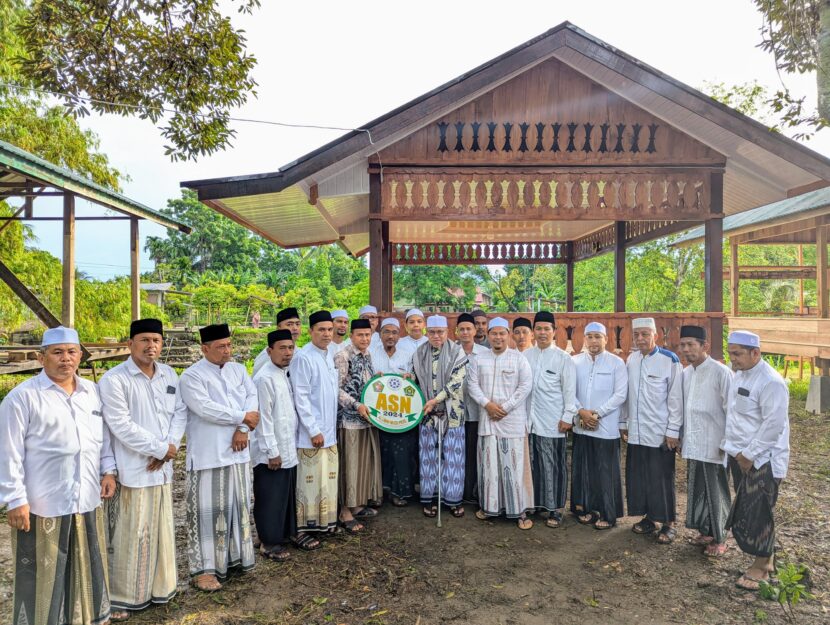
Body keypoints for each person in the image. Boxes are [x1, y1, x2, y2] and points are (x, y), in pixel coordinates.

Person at [1, 326, 117, 625]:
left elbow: (102, 437)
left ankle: (85, 618)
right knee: (41, 573)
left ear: (80, 355)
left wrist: (109, 470)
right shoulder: (22, 397)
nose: (66, 359)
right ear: (42, 357)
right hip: (43, 503)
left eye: (72, 352)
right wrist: (15, 500)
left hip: (87, 497)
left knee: (86, 566)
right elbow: (8, 452)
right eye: (57, 352)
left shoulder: (92, 391)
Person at [99, 318, 187, 620]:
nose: (152, 346)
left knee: (161, 531)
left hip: (162, 468)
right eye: (145, 340)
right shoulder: (115, 379)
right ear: (130, 344)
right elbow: (120, 425)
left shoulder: (168, 374)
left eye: (157, 340)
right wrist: (160, 449)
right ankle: (120, 597)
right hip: (132, 469)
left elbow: (179, 412)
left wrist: (170, 446)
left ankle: (159, 589)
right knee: (129, 534)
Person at [179, 323, 258, 591]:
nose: (227, 351)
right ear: (205, 348)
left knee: (237, 507)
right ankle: (204, 571)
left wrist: (243, 428)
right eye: (221, 346)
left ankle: (236, 559)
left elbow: (252, 398)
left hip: (238, 452)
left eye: (229, 345)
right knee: (207, 514)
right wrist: (241, 417)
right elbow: (205, 408)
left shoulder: (238, 370)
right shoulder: (192, 377)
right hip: (208, 456)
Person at [722, 331, 790, 591]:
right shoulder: (739, 374)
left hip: (763, 459)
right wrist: (738, 453)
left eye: (738, 353)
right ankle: (767, 559)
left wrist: (750, 454)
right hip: (741, 456)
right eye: (731, 353)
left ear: (756, 353)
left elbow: (774, 425)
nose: (733, 359)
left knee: (757, 511)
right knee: (747, 509)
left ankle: (761, 566)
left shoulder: (771, 382)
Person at [468, 317, 534, 529]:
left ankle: (519, 511)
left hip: (512, 421)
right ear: (488, 336)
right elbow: (472, 385)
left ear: (508, 335)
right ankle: (490, 507)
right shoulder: (479, 358)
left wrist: (505, 407)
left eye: (502, 333)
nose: (498, 337)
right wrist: (488, 405)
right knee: (489, 467)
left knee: (513, 467)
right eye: (494, 333)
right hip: (487, 420)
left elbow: (525, 386)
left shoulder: (518, 359)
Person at [621, 317, 683, 544]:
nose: (640, 339)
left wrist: (673, 431)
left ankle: (668, 523)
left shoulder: (670, 360)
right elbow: (627, 396)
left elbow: (676, 398)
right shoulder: (631, 359)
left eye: (645, 334)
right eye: (636, 335)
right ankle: (649, 518)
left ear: (656, 336)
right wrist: (623, 423)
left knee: (662, 478)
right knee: (641, 476)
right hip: (637, 430)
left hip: (660, 432)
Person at [678, 325, 733, 557]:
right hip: (694, 442)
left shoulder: (721, 373)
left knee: (716, 490)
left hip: (715, 443)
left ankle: (720, 538)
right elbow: (684, 409)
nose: (686, 349)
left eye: (691, 344)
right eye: (683, 345)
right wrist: (681, 437)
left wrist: (727, 443)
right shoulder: (686, 373)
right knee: (698, 488)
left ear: (704, 346)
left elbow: (732, 411)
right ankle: (706, 530)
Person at [251, 329, 305, 560]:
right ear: (269, 350)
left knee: (283, 494)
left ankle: (280, 535)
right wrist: (271, 451)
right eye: (282, 348)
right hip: (270, 452)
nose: (287, 353)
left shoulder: (283, 374)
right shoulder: (264, 378)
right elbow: (263, 418)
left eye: (291, 348)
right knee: (269, 497)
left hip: (286, 446)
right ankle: (268, 542)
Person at [570, 322, 628, 529]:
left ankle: (608, 513)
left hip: (606, 426)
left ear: (606, 339)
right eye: (590, 336)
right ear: (584, 339)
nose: (593, 341)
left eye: (598, 337)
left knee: (605, 472)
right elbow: (569, 391)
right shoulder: (574, 362)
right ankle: (583, 508)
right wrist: (582, 412)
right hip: (582, 424)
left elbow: (620, 394)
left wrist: (596, 414)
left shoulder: (616, 363)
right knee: (583, 469)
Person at [412, 315, 468, 518]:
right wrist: (409, 377)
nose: (436, 336)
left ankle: (453, 500)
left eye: (440, 332)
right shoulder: (419, 353)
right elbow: (414, 379)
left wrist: (436, 399)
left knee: (453, 458)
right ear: (427, 332)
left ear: (447, 332)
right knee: (428, 457)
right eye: (433, 332)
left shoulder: (457, 351)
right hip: (427, 414)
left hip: (452, 414)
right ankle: (430, 499)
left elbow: (456, 382)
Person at [523, 311, 576, 527]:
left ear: (554, 332)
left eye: (547, 329)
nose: (542, 333)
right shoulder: (526, 356)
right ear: (533, 332)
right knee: (532, 465)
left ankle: (555, 509)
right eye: (539, 329)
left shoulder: (563, 359)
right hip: (529, 422)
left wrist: (567, 417)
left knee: (553, 466)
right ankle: (535, 505)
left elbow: (570, 393)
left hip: (553, 422)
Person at [290, 310, 340, 535]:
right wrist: (313, 429)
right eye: (321, 330)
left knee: (326, 481)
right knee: (309, 483)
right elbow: (300, 397)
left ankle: (326, 524)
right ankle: (306, 527)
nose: (327, 334)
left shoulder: (328, 354)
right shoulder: (303, 357)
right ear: (310, 331)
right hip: (312, 435)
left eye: (329, 329)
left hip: (330, 431)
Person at [334, 319, 383, 532]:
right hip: (349, 420)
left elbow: (367, 383)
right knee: (349, 465)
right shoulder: (343, 356)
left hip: (367, 419)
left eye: (368, 335)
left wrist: (378, 379)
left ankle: (356, 505)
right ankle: (344, 511)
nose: (364, 339)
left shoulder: (368, 354)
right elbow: (336, 390)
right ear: (352, 335)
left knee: (363, 463)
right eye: (360, 335)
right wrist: (356, 404)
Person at [371, 317, 419, 506]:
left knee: (402, 453)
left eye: (394, 332)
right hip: (378, 414)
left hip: (402, 415)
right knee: (380, 452)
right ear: (380, 335)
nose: (390, 336)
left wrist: (411, 377)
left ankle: (400, 492)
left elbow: (415, 377)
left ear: (399, 335)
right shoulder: (371, 354)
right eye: (386, 332)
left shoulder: (408, 355)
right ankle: (379, 492)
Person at [456, 312, 489, 504]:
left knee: (476, 451)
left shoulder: (485, 353)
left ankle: (475, 491)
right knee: (459, 452)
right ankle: (460, 491)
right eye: (462, 329)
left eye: (469, 329)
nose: (466, 332)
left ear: (475, 331)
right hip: (457, 412)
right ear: (457, 331)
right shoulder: (451, 351)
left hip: (478, 412)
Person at [252, 307, 302, 375]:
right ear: (278, 328)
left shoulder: (300, 352)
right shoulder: (269, 355)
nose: (295, 328)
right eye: (289, 324)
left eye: (297, 324)